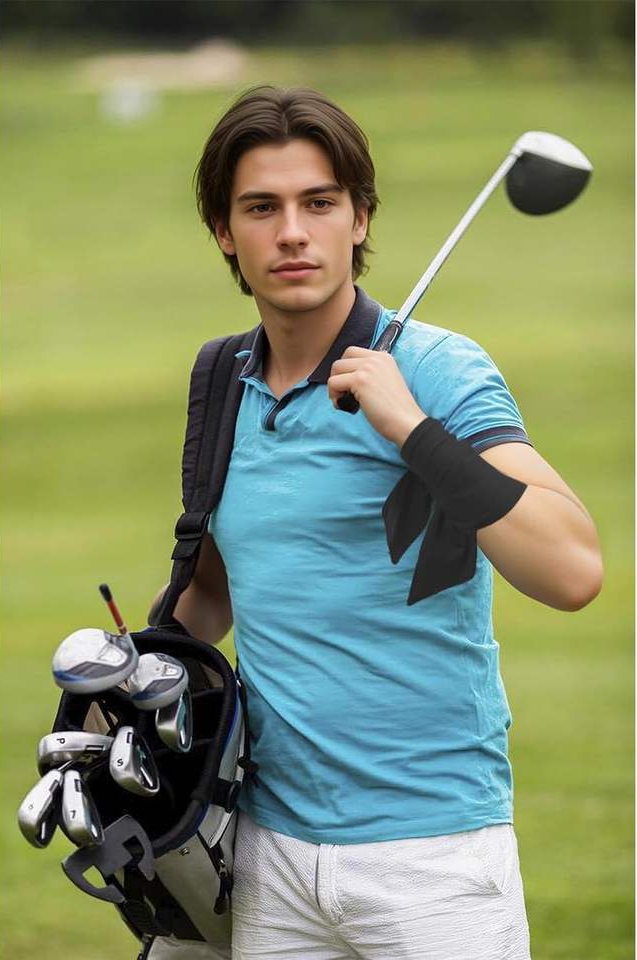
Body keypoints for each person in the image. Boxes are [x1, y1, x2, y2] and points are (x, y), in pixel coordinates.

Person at [164, 86, 602, 960]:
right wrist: (122, 682)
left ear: (359, 218)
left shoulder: (436, 370)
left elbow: (570, 570)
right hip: (269, 853)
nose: (293, 232)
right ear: (224, 231)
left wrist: (409, 426)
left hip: (434, 856)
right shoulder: (221, 377)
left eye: (319, 203)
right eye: (262, 208)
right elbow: (211, 593)